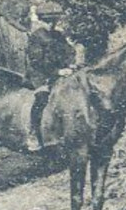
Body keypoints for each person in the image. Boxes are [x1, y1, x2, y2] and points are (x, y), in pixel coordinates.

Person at [24, 9, 85, 152]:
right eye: (48, 21)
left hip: (60, 72)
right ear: (41, 20)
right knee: (42, 97)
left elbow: (68, 51)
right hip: (40, 74)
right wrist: (57, 71)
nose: (52, 24)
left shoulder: (57, 35)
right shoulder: (36, 37)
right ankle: (33, 133)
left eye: (54, 20)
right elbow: (36, 61)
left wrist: (71, 64)